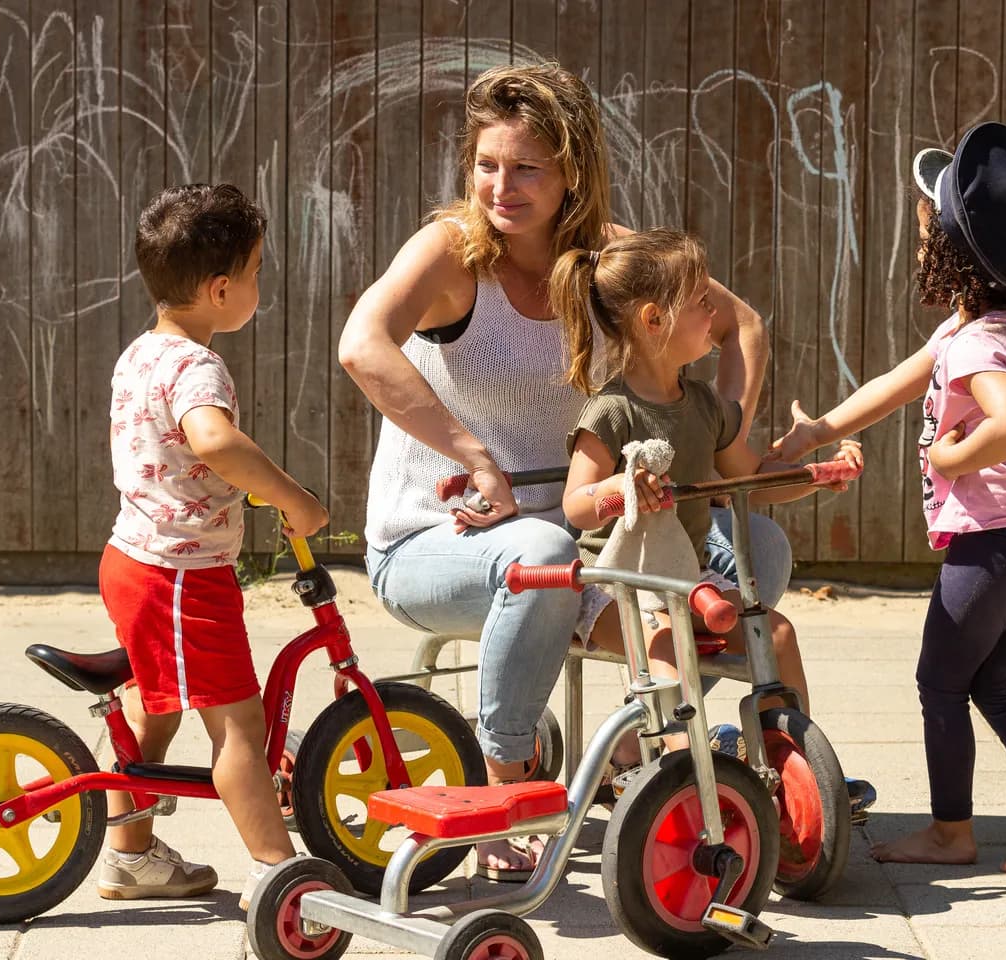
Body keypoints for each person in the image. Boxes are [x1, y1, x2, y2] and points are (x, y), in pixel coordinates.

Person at [337, 62, 791, 880]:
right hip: (436, 542)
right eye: (486, 164)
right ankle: (504, 790)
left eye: (525, 168)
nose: (499, 187)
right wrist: (474, 455)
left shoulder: (613, 259)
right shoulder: (451, 253)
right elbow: (360, 346)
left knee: (760, 549)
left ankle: (646, 758)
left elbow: (744, 325)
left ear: (572, 172)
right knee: (541, 557)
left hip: (586, 532)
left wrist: (720, 439)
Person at [769, 121, 1006, 875]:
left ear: (952, 253)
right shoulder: (987, 328)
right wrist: (820, 430)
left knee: (939, 684)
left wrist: (952, 455)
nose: (916, 246)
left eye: (922, 234)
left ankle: (950, 832)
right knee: (999, 686)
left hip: (996, 551)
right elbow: (895, 383)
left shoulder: (974, 345)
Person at [98, 184, 328, 906]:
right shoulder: (198, 367)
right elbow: (213, 441)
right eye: (256, 272)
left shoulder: (140, 353)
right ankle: (280, 874)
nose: (260, 285)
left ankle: (132, 857)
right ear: (221, 289)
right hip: (179, 576)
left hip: (135, 559)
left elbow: (172, 453)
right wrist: (293, 497)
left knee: (154, 706)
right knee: (238, 728)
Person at [554, 229, 861, 757]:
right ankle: (681, 769)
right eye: (701, 303)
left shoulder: (703, 405)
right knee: (668, 649)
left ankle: (784, 762)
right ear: (654, 320)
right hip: (615, 584)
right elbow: (576, 506)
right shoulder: (612, 409)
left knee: (776, 635)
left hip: (684, 577)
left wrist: (817, 476)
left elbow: (751, 480)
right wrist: (620, 489)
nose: (713, 316)